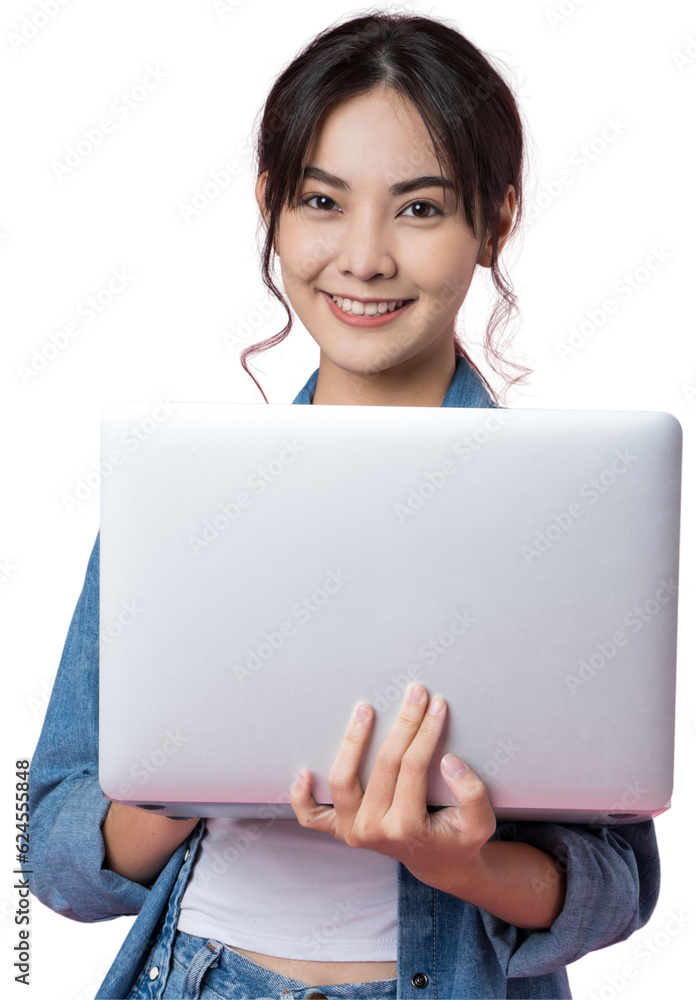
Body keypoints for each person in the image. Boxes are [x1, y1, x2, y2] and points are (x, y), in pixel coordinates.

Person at [28, 11, 660, 1000]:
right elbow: (52, 851)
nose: (363, 257)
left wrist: (464, 865)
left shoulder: (558, 511)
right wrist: (202, 774)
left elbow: (622, 885)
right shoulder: (190, 500)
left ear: (495, 219)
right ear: (271, 209)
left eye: (419, 209)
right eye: (323, 201)